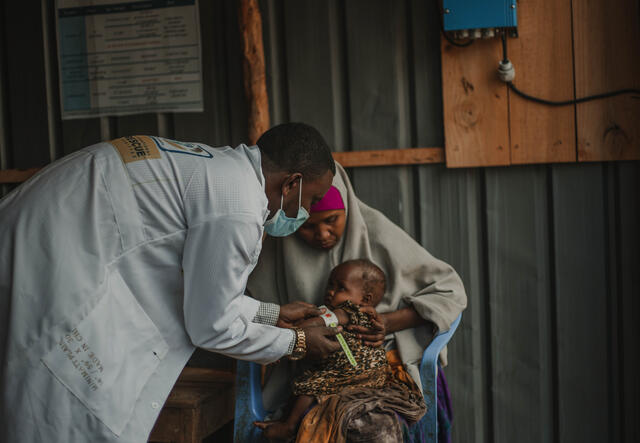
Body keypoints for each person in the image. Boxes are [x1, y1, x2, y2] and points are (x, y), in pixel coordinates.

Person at [0, 123, 343, 443]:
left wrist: (271, 313)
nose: (306, 211)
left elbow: (209, 291)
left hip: (49, 234)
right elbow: (212, 327)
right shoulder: (237, 208)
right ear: (291, 183)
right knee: (61, 401)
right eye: (312, 200)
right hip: (50, 258)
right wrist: (297, 342)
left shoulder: (225, 170)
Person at [247, 164, 467, 440]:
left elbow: (450, 292)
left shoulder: (377, 233)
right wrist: (289, 333)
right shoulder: (277, 247)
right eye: (307, 225)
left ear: (347, 211)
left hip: (385, 366)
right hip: (308, 368)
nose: (323, 234)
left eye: (332, 220)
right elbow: (247, 310)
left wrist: (386, 322)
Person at [255, 259, 425, 440]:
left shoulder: (346, 311)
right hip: (373, 376)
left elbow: (317, 323)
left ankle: (289, 426)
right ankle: (284, 420)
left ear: (365, 299)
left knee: (311, 384)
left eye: (340, 288)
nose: (330, 292)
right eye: (330, 285)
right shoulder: (370, 317)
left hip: (347, 371)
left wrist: (289, 333)